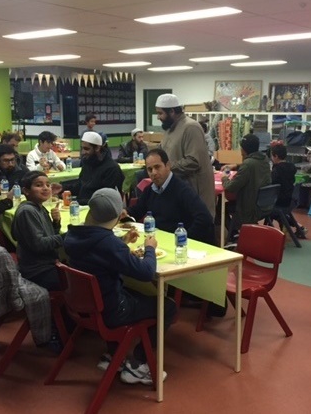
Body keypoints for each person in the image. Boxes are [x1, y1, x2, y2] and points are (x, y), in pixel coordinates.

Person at [64, 188, 177, 385]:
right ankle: (140, 365)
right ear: (118, 215)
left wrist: (123, 242)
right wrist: (150, 248)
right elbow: (146, 273)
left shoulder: (72, 236)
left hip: (85, 306)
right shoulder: (109, 244)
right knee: (168, 306)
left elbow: (99, 251)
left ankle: (113, 354)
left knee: (131, 291)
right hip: (112, 310)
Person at [122, 148, 215, 245]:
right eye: (150, 169)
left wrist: (184, 239)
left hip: (180, 246)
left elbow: (204, 218)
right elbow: (138, 210)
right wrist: (127, 212)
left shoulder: (183, 190)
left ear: (168, 166)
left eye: (157, 167)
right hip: (160, 241)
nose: (153, 172)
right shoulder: (149, 190)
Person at [157, 94, 216, 218]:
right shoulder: (169, 128)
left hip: (194, 191)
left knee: (195, 231)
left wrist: (166, 168)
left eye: (160, 113)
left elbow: (193, 161)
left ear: (172, 111)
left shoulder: (191, 127)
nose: (158, 117)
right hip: (178, 189)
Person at [11, 171, 64, 291]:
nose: (45, 188)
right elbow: (39, 244)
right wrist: (66, 237)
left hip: (44, 264)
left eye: (48, 185)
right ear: (26, 191)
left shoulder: (38, 207)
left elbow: (49, 236)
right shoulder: (27, 211)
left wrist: (55, 223)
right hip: (37, 271)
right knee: (82, 279)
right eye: (39, 185)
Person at [221, 133, 271, 241]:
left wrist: (224, 177)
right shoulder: (264, 159)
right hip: (263, 204)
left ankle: (233, 234)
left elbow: (231, 187)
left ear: (244, 149)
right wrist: (236, 166)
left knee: (221, 207)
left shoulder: (248, 165)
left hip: (248, 207)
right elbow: (252, 164)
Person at [72, 131, 124, 204]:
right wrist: (63, 187)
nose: (83, 152)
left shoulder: (112, 168)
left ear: (97, 148)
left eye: (86, 149)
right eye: (82, 148)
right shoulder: (88, 162)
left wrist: (77, 202)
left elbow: (105, 199)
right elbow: (82, 185)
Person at [270, 143, 307, 239]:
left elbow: (270, 184)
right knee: (279, 212)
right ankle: (297, 226)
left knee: (267, 208)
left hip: (279, 201)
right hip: (290, 200)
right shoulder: (291, 167)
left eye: (271, 155)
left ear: (276, 156)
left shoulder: (276, 171)